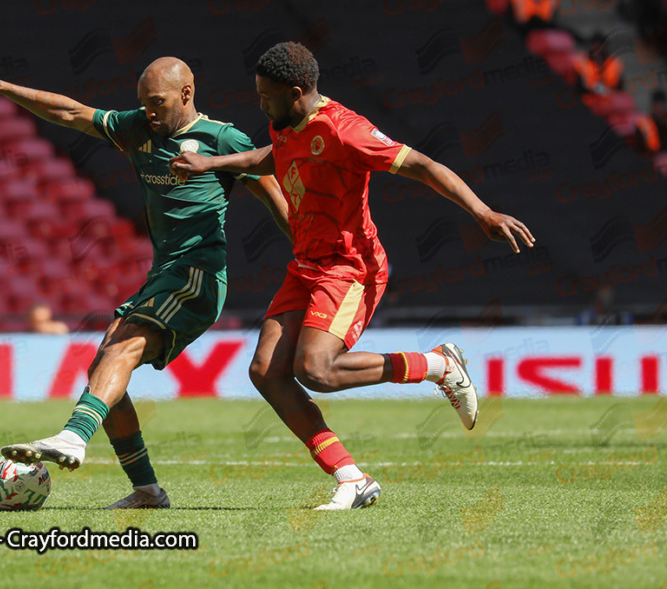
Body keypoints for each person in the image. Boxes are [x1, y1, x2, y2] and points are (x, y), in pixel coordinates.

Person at [170, 42, 535, 510]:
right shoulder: (286, 122)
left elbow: (422, 165)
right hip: (306, 265)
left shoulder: (345, 130)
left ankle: (437, 365)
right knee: (265, 371)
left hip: (350, 267)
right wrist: (213, 164)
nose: (259, 103)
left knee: (315, 371)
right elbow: (274, 155)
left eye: (265, 96)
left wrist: (482, 212)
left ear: (296, 91)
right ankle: (351, 477)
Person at [0, 57, 291, 509]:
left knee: (123, 347)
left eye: (157, 103)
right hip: (163, 275)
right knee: (101, 371)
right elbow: (71, 112)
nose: (148, 112)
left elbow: (276, 198)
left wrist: (314, 255)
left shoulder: (222, 139)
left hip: (197, 275)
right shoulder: (138, 129)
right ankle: (147, 490)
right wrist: (1, 86)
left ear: (186, 94)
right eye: (143, 104)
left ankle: (74, 436)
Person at [573, 33, 625, 106]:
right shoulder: (582, 62)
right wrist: (596, 89)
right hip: (589, 101)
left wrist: (607, 91)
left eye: (600, 49)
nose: (597, 53)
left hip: (609, 101)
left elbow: (620, 88)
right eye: (595, 49)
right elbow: (579, 88)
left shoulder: (614, 63)